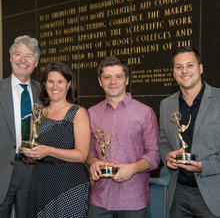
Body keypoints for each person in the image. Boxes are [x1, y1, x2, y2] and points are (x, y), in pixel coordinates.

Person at [87, 56, 160, 218]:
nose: (113, 81)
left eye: (118, 76)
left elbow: (154, 155)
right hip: (100, 199)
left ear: (126, 80)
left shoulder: (145, 113)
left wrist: (132, 168)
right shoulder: (92, 113)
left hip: (133, 199)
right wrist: (93, 163)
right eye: (107, 77)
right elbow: (89, 153)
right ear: (100, 81)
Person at [23, 61, 91, 218]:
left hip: (69, 184)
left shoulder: (78, 112)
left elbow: (82, 155)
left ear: (68, 84)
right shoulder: (37, 114)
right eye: (51, 81)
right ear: (45, 84)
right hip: (41, 183)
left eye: (60, 81)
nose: (55, 86)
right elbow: (31, 152)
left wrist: (49, 151)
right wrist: (30, 154)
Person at [158, 46, 220, 217]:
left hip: (214, 195)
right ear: (173, 72)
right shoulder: (167, 105)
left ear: (200, 68)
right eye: (179, 67)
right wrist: (167, 156)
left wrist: (204, 167)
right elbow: (162, 141)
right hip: (179, 195)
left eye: (189, 65)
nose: (184, 71)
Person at [0, 35, 40, 218]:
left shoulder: (45, 93)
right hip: (2, 170)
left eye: (29, 56)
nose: (23, 60)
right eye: (18, 54)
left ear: (36, 62)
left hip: (33, 170)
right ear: (10, 58)